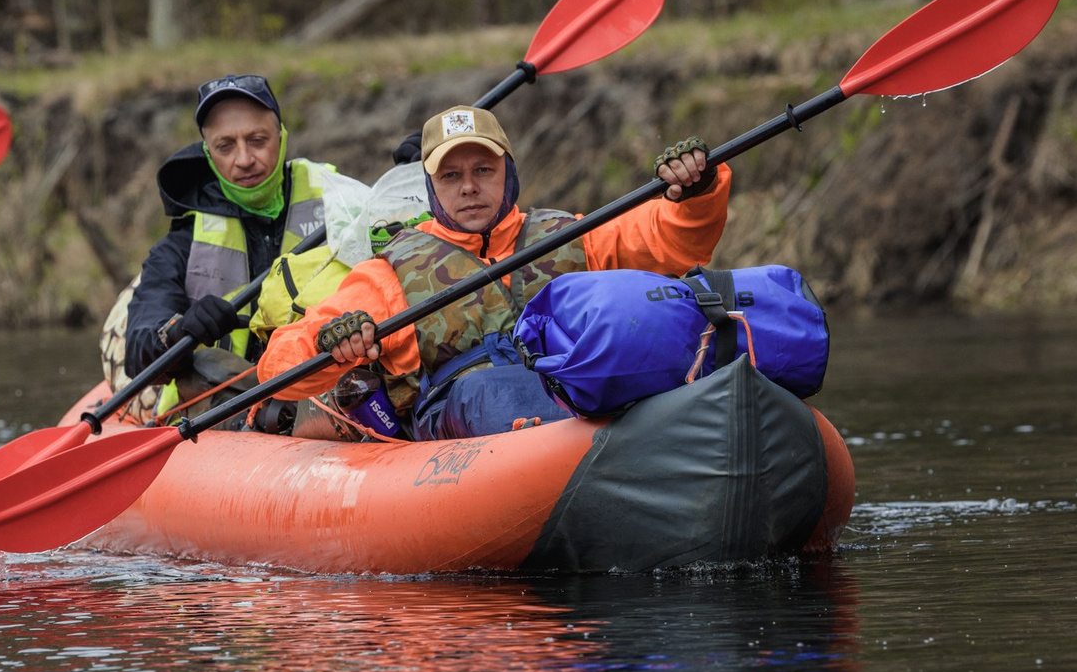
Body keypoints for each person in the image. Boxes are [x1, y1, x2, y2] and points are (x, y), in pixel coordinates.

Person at [256, 104, 728, 440]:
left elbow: (668, 237)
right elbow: (280, 362)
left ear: (509, 173)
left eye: (483, 170)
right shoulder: (389, 273)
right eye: (450, 176)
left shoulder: (572, 234)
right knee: (486, 389)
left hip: (578, 395)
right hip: (462, 427)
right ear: (432, 188)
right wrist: (330, 344)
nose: (468, 188)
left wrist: (693, 192)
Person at [119, 75, 354, 414]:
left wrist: (415, 182)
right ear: (208, 153)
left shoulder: (341, 202)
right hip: (224, 409)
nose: (244, 159)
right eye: (225, 146)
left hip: (325, 387)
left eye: (257, 140)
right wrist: (181, 330)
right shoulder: (182, 242)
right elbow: (138, 351)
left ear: (281, 137)